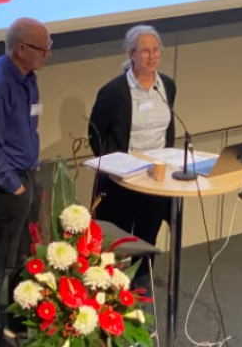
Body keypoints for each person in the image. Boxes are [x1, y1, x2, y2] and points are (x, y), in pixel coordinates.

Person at [0, 18, 51, 347]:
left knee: (24, 257)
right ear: (21, 49)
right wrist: (15, 187)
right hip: (5, 187)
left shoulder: (28, 79)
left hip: (27, 176)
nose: (48, 54)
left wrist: (31, 180)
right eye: (43, 48)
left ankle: (18, 323)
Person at [88, 25, 176, 289]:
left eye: (156, 50)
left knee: (148, 233)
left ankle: (141, 285)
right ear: (131, 53)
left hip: (156, 178)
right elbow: (96, 134)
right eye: (146, 51)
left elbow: (167, 130)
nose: (152, 56)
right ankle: (111, 290)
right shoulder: (113, 91)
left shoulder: (167, 86)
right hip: (123, 179)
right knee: (118, 239)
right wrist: (116, 165)